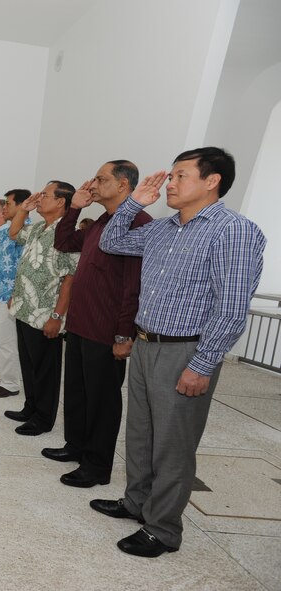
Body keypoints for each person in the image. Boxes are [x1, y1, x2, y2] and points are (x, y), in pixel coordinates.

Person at [93, 147, 265, 558]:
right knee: (140, 435)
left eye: (180, 176)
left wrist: (203, 363)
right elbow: (111, 242)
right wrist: (134, 202)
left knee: (173, 445)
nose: (169, 183)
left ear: (212, 181)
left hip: (185, 351)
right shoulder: (164, 229)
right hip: (147, 343)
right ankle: (136, 502)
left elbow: (231, 305)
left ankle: (163, 529)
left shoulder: (233, 231)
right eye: (170, 176)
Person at [44, 161, 152, 489]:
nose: (94, 183)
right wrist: (74, 208)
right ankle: (76, 446)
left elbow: (132, 285)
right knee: (77, 392)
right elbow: (63, 242)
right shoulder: (102, 222)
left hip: (106, 330)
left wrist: (123, 333)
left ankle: (96, 466)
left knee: (102, 401)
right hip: (80, 324)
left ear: (123, 185)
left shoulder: (138, 223)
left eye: (102, 179)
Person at [5, 182, 79, 435]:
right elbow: (14, 233)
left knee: (45, 369)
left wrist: (57, 316)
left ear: (61, 201)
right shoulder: (37, 227)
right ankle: (30, 407)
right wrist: (23, 211)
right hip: (24, 306)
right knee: (28, 363)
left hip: (45, 313)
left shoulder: (67, 233)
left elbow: (70, 278)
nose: (40, 199)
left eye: (45, 195)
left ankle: (43, 418)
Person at [0, 189, 31, 396]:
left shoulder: (26, 229)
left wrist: (15, 293)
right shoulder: (8, 228)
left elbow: (24, 265)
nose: (5, 208)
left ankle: (11, 384)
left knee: (8, 341)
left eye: (9, 204)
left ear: (21, 206)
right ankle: (1, 375)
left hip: (8, 293)